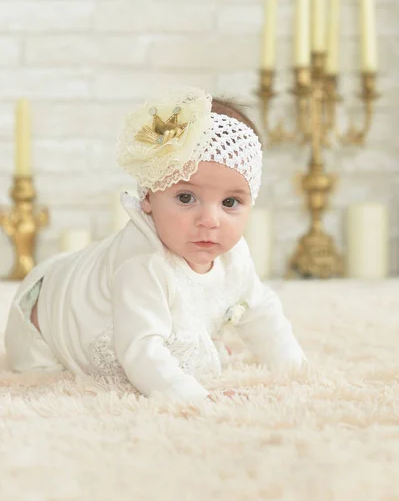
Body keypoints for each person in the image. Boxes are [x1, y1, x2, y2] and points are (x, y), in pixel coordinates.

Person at [5, 86, 306, 403]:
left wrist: (293, 367)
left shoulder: (235, 254)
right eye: (186, 198)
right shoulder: (145, 262)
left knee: (191, 335)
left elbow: (260, 310)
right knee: (59, 369)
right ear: (148, 196)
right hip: (47, 324)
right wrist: (194, 398)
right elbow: (140, 350)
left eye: (230, 202)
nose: (210, 219)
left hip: (116, 299)